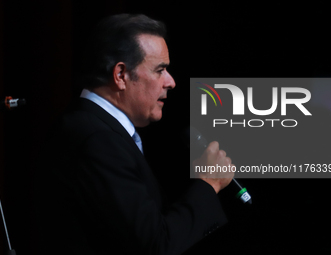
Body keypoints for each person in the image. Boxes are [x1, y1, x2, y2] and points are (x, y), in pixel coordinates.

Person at [34, 13, 234, 255]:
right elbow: (155, 246)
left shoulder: (92, 127)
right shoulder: (97, 140)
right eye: (160, 70)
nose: (171, 82)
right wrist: (209, 182)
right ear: (121, 75)